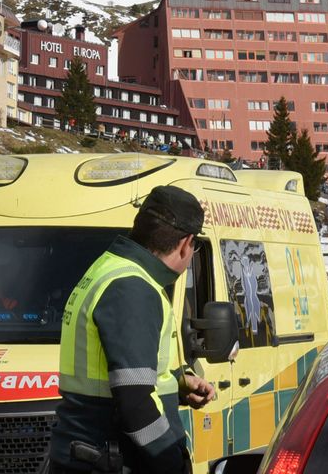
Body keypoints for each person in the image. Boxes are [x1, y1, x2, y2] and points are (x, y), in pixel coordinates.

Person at [49, 186, 215, 474]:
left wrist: (176, 384)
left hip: (91, 453)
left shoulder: (113, 269)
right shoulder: (133, 287)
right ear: (186, 243)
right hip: (111, 458)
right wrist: (171, 463)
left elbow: (117, 377)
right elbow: (135, 403)